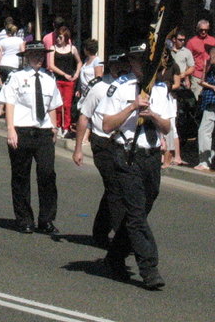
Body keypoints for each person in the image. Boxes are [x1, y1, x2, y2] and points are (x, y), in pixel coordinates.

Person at [95, 48, 174, 290]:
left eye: (148, 61)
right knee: (137, 214)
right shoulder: (119, 87)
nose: (144, 65)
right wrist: (132, 108)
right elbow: (106, 125)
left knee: (138, 213)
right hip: (126, 155)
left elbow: (167, 127)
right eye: (139, 61)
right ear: (131, 62)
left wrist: (152, 115)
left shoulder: (160, 90)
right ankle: (149, 268)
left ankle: (115, 257)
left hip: (150, 157)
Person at [0, 41, 63, 234]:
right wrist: (10, 129)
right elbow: (9, 102)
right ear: (26, 57)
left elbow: (52, 105)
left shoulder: (49, 78)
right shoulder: (16, 77)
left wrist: (54, 128)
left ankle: (46, 219)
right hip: (22, 130)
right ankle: (24, 219)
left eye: (41, 55)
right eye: (34, 55)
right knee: (21, 176)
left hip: (43, 131)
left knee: (47, 174)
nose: (38, 58)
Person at [73, 53, 128, 248]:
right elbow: (84, 117)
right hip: (102, 142)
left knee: (115, 188)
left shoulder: (128, 87)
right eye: (115, 64)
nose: (119, 68)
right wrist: (78, 148)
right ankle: (123, 236)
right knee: (114, 187)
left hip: (121, 143)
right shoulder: (99, 88)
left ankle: (100, 231)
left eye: (123, 64)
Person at [47, 24, 81, 138]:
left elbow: (79, 62)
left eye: (60, 37)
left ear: (66, 38)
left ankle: (66, 127)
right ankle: (57, 125)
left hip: (69, 81)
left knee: (67, 105)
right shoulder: (53, 48)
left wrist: (76, 74)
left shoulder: (72, 48)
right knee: (57, 105)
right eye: (57, 36)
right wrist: (63, 74)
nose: (58, 39)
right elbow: (51, 65)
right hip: (57, 80)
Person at [186, 19, 215, 97]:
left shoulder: (213, 40)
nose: (203, 32)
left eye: (205, 30)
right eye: (201, 30)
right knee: (196, 97)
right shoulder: (191, 42)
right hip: (197, 74)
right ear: (197, 29)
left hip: (210, 74)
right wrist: (187, 79)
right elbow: (187, 61)